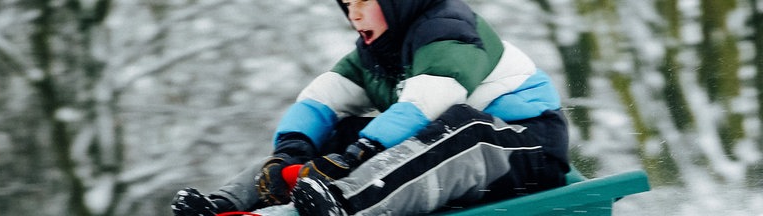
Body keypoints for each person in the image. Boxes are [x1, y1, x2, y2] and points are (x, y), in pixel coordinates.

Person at [171, 0, 570, 215]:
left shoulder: (449, 26)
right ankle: (227, 204)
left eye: (363, 0)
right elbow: (322, 98)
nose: (353, 13)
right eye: (346, 4)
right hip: (448, 150)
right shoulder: (376, 51)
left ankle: (344, 204)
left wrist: (359, 156)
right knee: (332, 132)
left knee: (465, 128)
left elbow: (427, 103)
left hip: (525, 147)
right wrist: (289, 153)